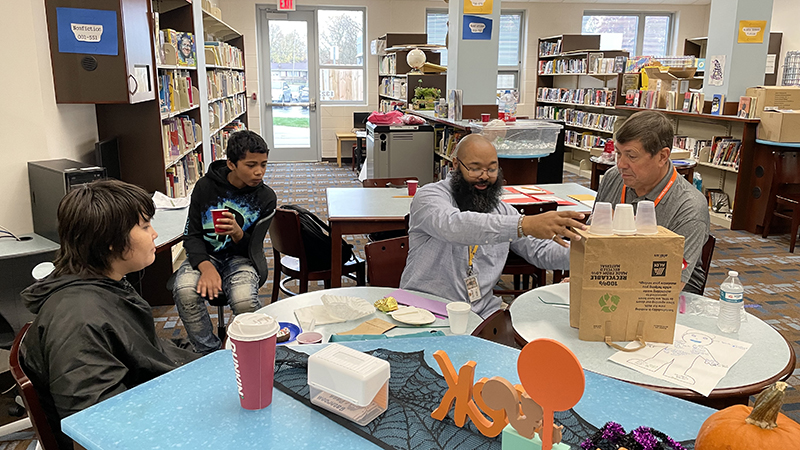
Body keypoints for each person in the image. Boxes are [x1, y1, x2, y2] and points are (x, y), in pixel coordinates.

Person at [20, 180, 199, 449]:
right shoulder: (79, 322)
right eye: (145, 226)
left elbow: (144, 349)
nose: (154, 234)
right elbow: (97, 428)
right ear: (111, 242)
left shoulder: (105, 284)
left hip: (157, 398)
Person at [399, 134, 587, 318]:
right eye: (475, 169)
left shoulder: (503, 211)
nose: (484, 176)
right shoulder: (428, 197)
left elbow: (540, 251)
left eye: (492, 169)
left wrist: (589, 252)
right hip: (426, 308)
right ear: (455, 165)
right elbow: (454, 226)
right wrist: (524, 224)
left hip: (481, 311)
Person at [173, 130, 277, 353]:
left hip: (242, 258)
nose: (259, 172)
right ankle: (208, 352)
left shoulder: (266, 197)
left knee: (244, 301)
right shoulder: (205, 187)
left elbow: (254, 247)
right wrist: (206, 266)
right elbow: (191, 235)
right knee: (184, 290)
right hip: (205, 255)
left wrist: (238, 233)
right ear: (231, 164)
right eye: (251, 165)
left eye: (264, 164)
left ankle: (253, 351)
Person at [595, 110, 710, 293]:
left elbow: (669, 283)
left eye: (631, 156)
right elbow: (590, 240)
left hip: (666, 294)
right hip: (612, 274)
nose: (621, 164)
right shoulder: (614, 178)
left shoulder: (689, 207)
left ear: (662, 157)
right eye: (618, 153)